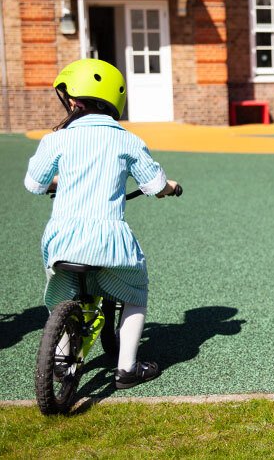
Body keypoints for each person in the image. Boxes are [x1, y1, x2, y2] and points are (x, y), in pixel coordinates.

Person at [24, 58, 179, 389]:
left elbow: (34, 184)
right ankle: (127, 368)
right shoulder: (127, 140)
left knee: (63, 295)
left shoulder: (55, 140)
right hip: (109, 241)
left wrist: (61, 183)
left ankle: (62, 360)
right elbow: (154, 185)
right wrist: (171, 188)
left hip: (62, 239)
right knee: (136, 293)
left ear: (76, 102)